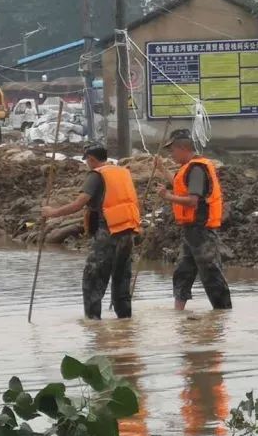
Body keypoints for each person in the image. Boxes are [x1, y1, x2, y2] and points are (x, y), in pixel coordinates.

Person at [42, 144, 139, 320]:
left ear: (92, 159)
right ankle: (125, 324)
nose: (87, 163)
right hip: (127, 232)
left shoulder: (97, 175)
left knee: (93, 280)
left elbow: (79, 203)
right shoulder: (122, 172)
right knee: (121, 280)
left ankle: (93, 324)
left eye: (87, 160)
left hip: (108, 233)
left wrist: (52, 213)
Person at [157, 129, 232, 311]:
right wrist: (161, 169)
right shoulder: (188, 169)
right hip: (191, 231)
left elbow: (192, 201)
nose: (171, 155)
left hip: (202, 230)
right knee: (183, 272)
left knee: (211, 274)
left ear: (183, 148)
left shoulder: (197, 168)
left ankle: (222, 314)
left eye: (173, 151)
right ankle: (178, 312)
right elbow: (178, 184)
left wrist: (167, 197)